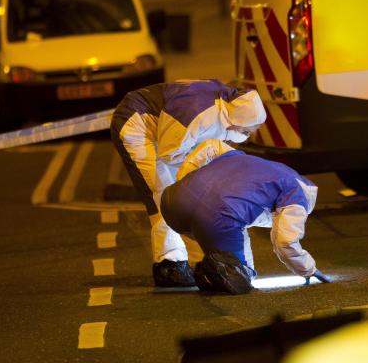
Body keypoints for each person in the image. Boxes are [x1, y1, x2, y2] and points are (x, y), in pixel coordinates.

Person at [110, 80, 266, 287]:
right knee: (163, 194)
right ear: (234, 119)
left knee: (184, 195)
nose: (246, 137)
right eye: (246, 131)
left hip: (164, 130)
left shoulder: (226, 109)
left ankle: (192, 259)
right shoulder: (197, 114)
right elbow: (170, 153)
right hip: (136, 125)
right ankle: (169, 265)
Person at [160, 139, 332, 294]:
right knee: (242, 277)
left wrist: (185, 180)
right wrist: (307, 269)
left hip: (172, 201)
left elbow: (211, 145)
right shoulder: (297, 194)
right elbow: (285, 241)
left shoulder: (253, 162)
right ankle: (217, 270)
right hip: (217, 216)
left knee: (223, 227)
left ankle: (202, 266)